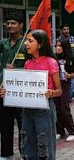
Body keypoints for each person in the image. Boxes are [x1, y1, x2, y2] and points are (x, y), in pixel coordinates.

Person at [0, 29, 63, 160]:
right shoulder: (28, 63)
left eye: (30, 41)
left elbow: (59, 91)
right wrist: (7, 91)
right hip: (27, 111)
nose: (26, 44)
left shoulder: (51, 62)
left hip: (44, 110)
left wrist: (51, 93)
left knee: (44, 144)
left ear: (40, 44)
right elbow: (22, 86)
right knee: (27, 143)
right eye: (26, 41)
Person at [0, 13, 25, 159]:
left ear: (21, 25)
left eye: (13, 23)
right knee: (4, 124)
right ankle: (6, 153)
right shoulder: (3, 43)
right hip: (4, 91)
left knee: (23, 125)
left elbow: (31, 67)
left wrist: (16, 70)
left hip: (20, 92)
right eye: (8, 23)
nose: (10, 26)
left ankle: (24, 153)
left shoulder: (26, 44)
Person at [54, 40, 74, 141]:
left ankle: (73, 131)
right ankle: (60, 131)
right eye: (56, 46)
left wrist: (70, 75)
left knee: (64, 108)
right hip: (56, 85)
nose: (58, 48)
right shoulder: (54, 58)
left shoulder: (71, 59)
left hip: (65, 84)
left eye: (60, 46)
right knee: (57, 108)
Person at [57, 23, 74, 101]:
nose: (66, 31)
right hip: (62, 63)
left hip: (71, 62)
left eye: (67, 29)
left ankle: (68, 99)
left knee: (71, 84)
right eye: (64, 29)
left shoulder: (73, 38)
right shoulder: (59, 39)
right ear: (61, 30)